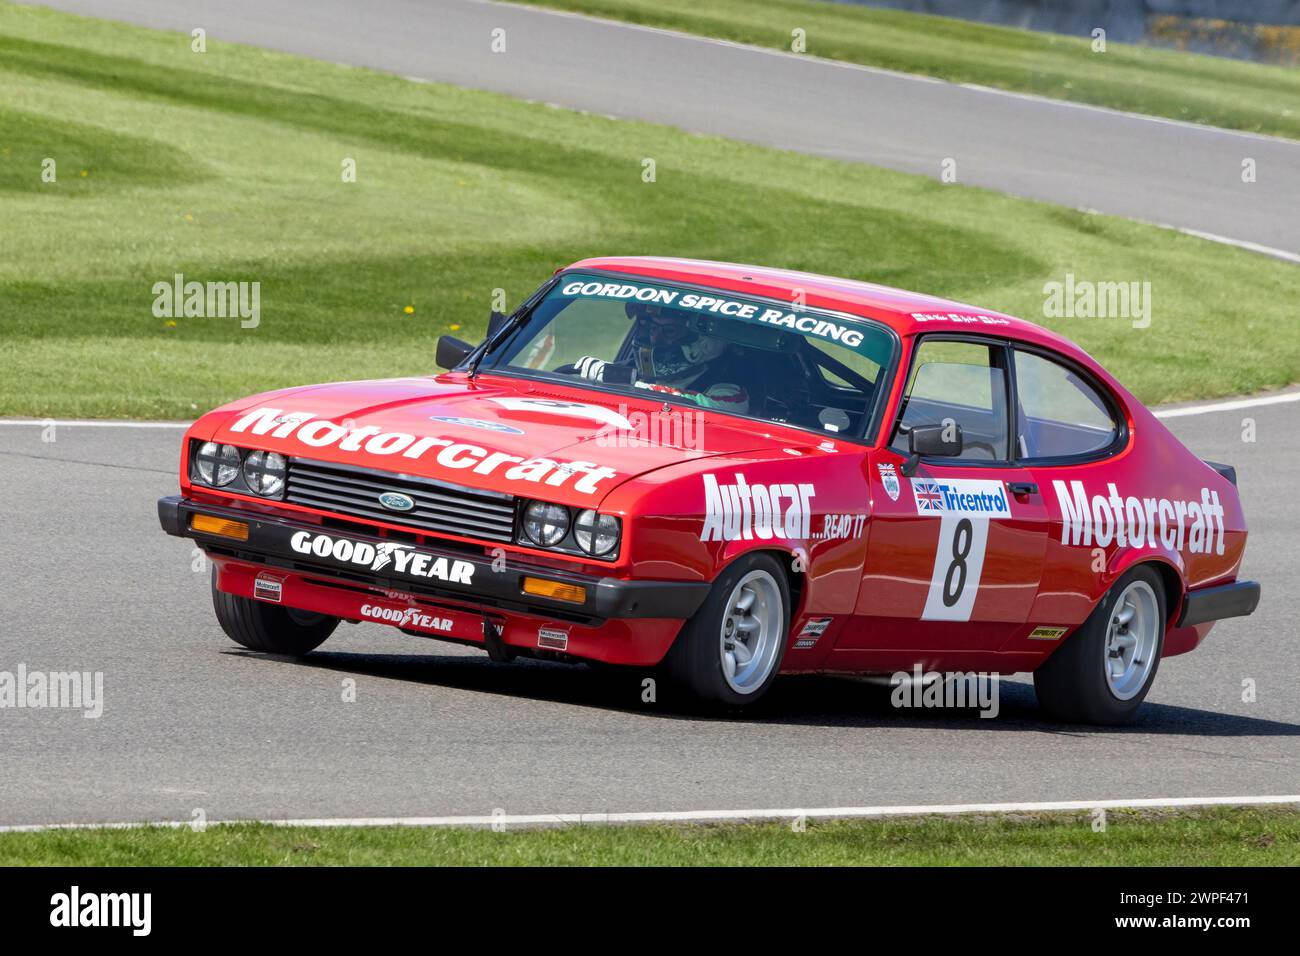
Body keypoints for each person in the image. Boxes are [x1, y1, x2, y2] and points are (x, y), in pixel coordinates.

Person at [568, 302, 752, 414]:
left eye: (669, 331)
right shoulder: (630, 369)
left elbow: (693, 404)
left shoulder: (731, 393)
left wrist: (619, 380)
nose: (655, 339)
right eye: (651, 328)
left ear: (704, 342)